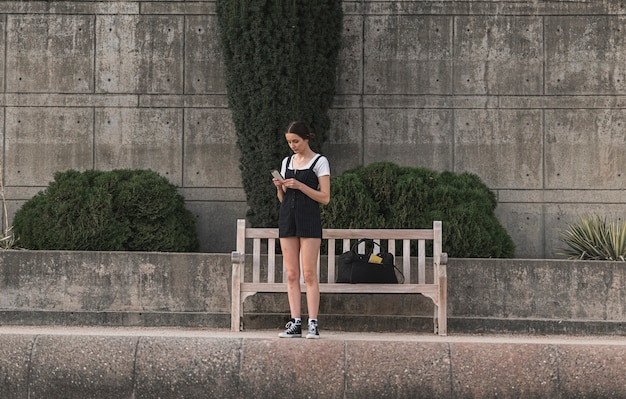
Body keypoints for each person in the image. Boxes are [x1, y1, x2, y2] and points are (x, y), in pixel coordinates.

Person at [272, 121, 331, 339]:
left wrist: (301, 186)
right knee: (291, 274)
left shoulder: (319, 161)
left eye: (296, 141)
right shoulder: (287, 161)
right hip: (288, 218)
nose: (293, 146)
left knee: (309, 273)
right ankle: (295, 322)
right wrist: (281, 188)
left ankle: (313, 323)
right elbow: (283, 199)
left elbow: (325, 197)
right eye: (289, 142)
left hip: (309, 219)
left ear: (306, 138)